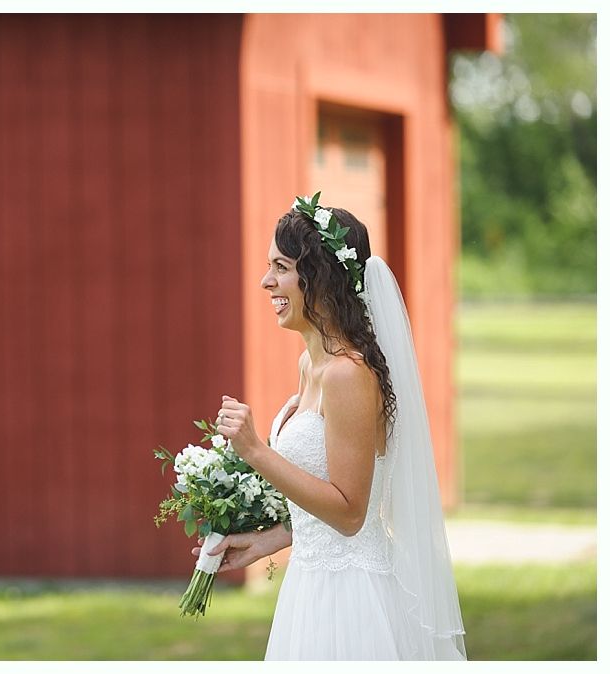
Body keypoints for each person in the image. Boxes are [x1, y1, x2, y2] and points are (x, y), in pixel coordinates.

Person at [199, 195, 466, 660]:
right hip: (311, 582)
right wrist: (266, 541)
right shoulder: (310, 365)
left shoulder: (348, 375)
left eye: (280, 267)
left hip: (352, 596)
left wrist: (255, 450)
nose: (266, 282)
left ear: (318, 277)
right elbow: (324, 500)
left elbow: (350, 513)